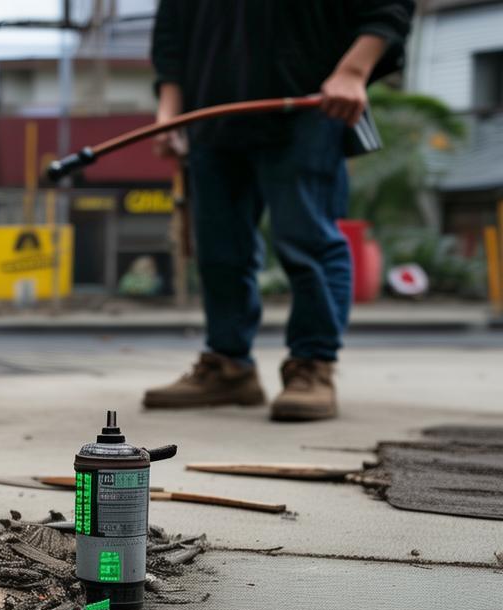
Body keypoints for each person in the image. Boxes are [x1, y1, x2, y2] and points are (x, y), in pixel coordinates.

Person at [145, 1, 414, 421]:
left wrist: (353, 71)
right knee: (218, 249)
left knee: (307, 239)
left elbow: (389, 5)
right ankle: (228, 366)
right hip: (211, 112)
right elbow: (171, 30)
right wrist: (170, 110)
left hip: (306, 103)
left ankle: (313, 365)